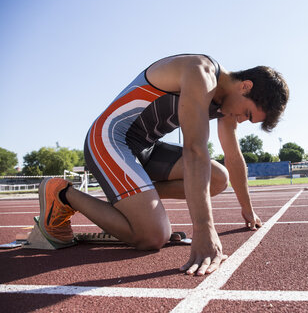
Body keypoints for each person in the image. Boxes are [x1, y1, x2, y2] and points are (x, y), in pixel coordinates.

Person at [38, 54, 289, 276]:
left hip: (146, 149)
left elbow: (233, 157)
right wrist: (204, 230)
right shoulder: (199, 71)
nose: (242, 120)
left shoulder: (227, 105)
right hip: (110, 138)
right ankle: (62, 193)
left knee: (219, 177)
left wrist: (247, 209)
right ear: (245, 86)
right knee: (153, 237)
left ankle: (137, 202)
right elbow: (194, 150)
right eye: (248, 114)